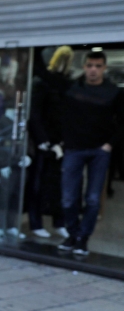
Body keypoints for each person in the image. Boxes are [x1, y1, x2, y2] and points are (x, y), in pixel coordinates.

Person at [57, 50, 124, 257]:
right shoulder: (72, 88)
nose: (93, 70)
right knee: (68, 197)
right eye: (89, 65)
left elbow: (123, 122)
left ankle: (83, 239)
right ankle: (72, 234)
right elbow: (60, 113)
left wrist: (109, 145)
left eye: (97, 66)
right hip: (74, 149)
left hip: (99, 151)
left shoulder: (114, 92)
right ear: (84, 67)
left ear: (104, 68)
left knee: (93, 198)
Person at [25, 46, 72, 239]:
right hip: (42, 142)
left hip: (60, 142)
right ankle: (36, 222)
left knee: (59, 184)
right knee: (37, 182)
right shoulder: (41, 83)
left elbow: (69, 116)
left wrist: (61, 142)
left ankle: (59, 221)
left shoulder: (67, 85)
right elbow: (34, 113)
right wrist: (43, 140)